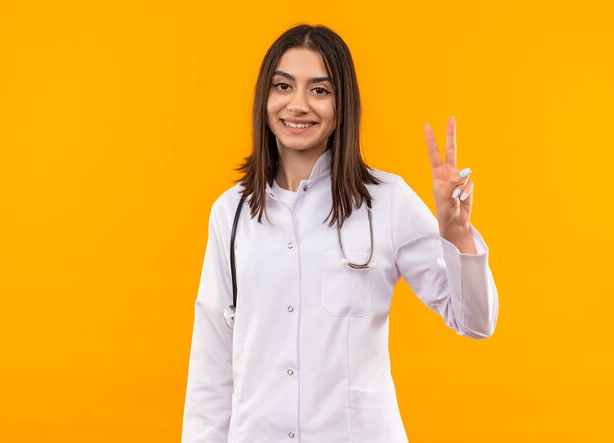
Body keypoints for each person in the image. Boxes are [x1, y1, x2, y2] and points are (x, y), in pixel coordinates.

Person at [181, 23, 499, 443]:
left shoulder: (386, 202)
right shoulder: (232, 212)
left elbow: (475, 321)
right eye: (283, 86)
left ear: (341, 104)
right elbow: (212, 363)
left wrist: (457, 234)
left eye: (319, 90)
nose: (298, 105)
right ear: (265, 98)